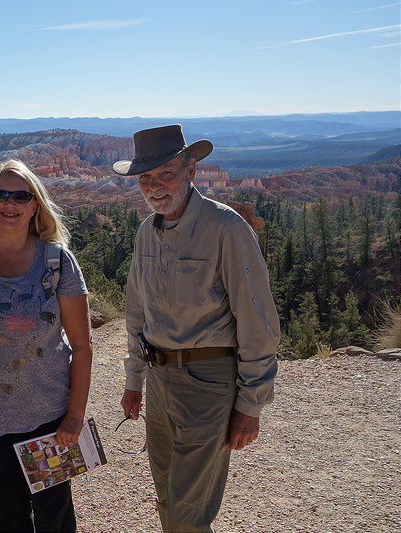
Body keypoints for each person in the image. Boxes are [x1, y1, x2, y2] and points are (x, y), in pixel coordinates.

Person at [115, 125, 280, 532]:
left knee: (189, 510)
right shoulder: (146, 233)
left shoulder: (225, 229)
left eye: (165, 174)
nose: (155, 187)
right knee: (167, 496)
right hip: (159, 380)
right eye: (145, 178)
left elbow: (258, 322)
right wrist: (133, 379)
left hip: (208, 383)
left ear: (190, 171)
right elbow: (137, 311)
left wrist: (250, 405)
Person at [0, 159, 93, 533]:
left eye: (20, 195)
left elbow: (82, 345)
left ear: (35, 204)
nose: (9, 202)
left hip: (47, 419)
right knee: (4, 517)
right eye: (0, 195)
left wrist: (75, 414)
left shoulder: (57, 262)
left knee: (54, 517)